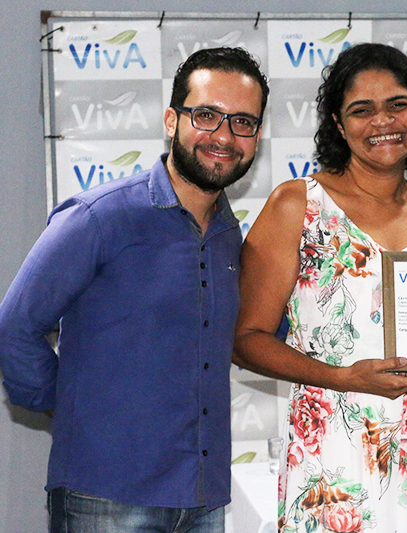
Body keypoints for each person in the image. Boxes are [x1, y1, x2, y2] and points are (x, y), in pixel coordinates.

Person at [0, 47, 268, 532]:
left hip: (204, 497)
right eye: (206, 115)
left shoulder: (233, 238)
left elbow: (257, 334)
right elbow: (16, 325)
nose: (224, 136)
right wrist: (68, 406)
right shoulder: (98, 217)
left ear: (257, 137)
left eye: (242, 122)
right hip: (108, 493)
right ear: (172, 119)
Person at [234, 43, 407, 533]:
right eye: (361, 110)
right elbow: (245, 340)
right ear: (338, 124)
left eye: (398, 104)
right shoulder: (297, 206)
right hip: (334, 459)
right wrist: (345, 378)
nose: (382, 121)